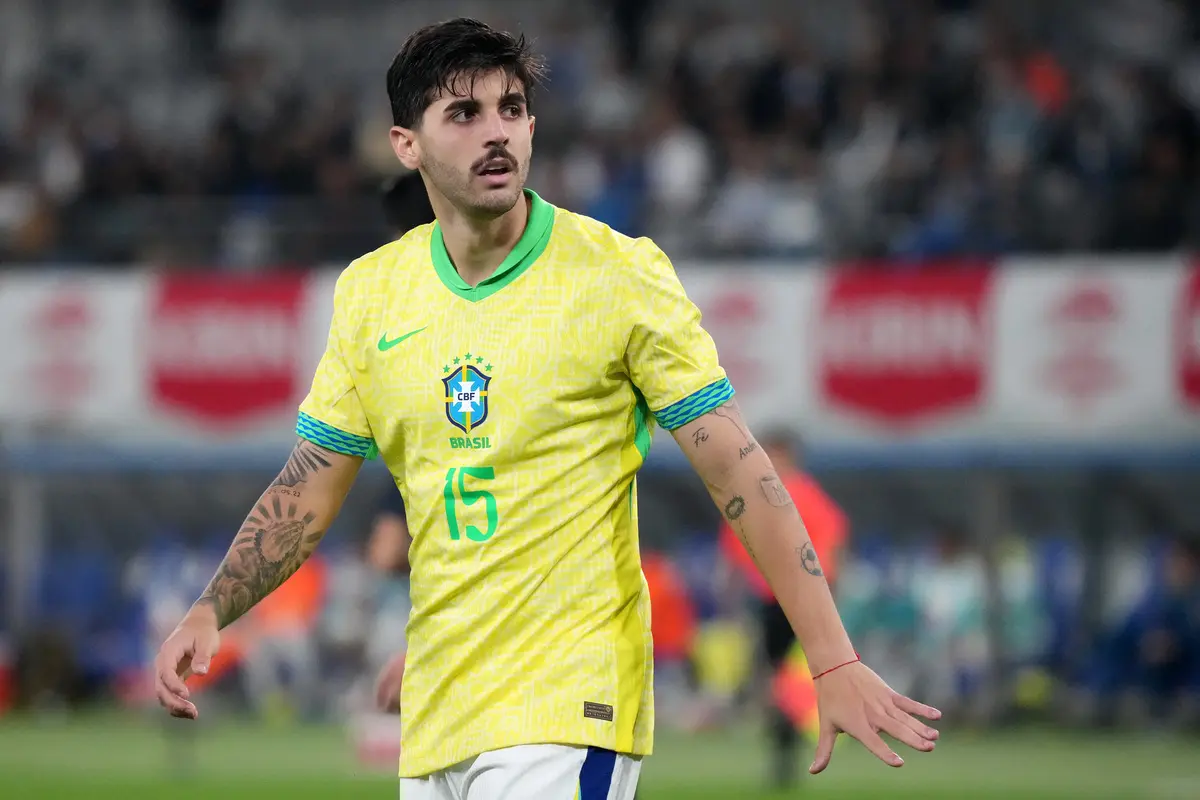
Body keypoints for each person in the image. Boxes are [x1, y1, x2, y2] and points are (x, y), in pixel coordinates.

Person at [153, 18, 941, 799]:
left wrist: (831, 658)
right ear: (406, 145)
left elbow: (738, 468)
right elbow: (309, 484)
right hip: (438, 717)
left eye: (512, 108)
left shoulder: (618, 275)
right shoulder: (371, 294)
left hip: (569, 706)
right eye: (464, 114)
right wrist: (212, 609)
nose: (497, 131)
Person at [717, 427, 848, 788]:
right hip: (770, 600)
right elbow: (734, 549)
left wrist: (827, 599)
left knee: (788, 679)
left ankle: (790, 739)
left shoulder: (804, 496)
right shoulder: (753, 493)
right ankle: (785, 741)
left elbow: (830, 547)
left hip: (798, 600)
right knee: (778, 679)